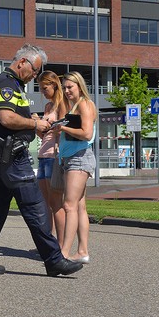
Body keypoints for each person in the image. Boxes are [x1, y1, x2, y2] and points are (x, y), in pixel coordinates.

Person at [0, 44, 83, 277]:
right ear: (22, 63)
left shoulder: (10, 83)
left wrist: (32, 123)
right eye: (35, 70)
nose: (35, 76)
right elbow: (6, 117)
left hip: (2, 155)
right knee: (35, 208)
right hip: (12, 157)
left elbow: (10, 118)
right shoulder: (7, 83)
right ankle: (54, 260)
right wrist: (34, 124)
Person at [54, 71, 97, 264]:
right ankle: (82, 251)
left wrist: (63, 128)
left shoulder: (85, 104)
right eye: (64, 87)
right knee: (79, 206)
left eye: (70, 87)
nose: (66, 90)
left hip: (79, 159)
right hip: (72, 158)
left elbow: (87, 134)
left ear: (80, 86)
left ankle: (64, 253)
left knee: (69, 205)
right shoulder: (74, 105)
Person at [35, 71, 67, 240]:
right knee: (44, 203)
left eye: (44, 87)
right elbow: (44, 135)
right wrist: (37, 125)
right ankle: (49, 241)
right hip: (43, 155)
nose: (42, 91)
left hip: (53, 156)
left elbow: (61, 131)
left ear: (54, 85)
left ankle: (61, 244)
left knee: (56, 203)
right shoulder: (48, 107)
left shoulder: (61, 104)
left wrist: (50, 126)